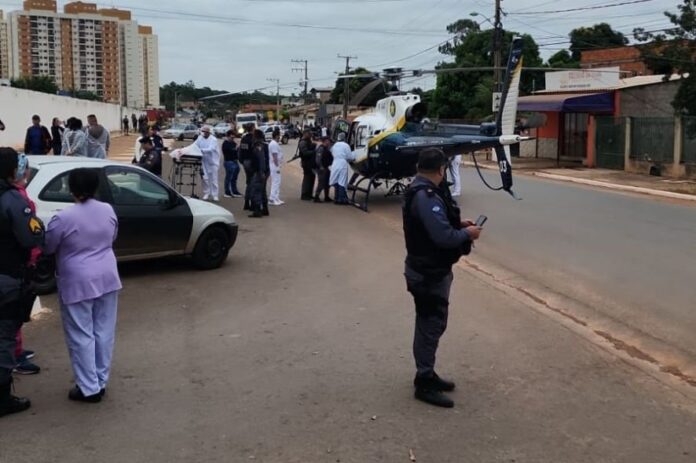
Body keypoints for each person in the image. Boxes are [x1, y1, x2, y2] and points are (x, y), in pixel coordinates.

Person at [402, 148, 482, 408]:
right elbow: (442, 237)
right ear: (440, 170)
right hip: (428, 274)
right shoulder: (426, 196)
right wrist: (467, 234)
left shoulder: (423, 190)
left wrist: (459, 225)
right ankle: (424, 380)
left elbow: (436, 227)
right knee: (430, 325)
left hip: (429, 269)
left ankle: (427, 372)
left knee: (432, 323)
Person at [44, 168, 121, 403]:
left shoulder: (63, 217)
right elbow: (113, 237)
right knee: (104, 330)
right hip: (107, 275)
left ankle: (89, 387)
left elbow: (49, 246)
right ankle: (100, 379)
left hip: (77, 280)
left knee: (80, 333)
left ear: (71, 189)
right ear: (96, 187)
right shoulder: (107, 209)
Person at [0, 147, 44, 417]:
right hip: (6, 277)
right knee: (4, 336)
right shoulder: (12, 200)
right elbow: (33, 238)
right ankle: (2, 398)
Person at [12, 154, 41, 375]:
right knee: (14, 313)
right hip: (19, 263)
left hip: (17, 261)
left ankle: (16, 351)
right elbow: (29, 234)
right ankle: (14, 356)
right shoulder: (18, 198)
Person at [194, 126, 220, 201]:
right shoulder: (200, 138)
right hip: (203, 161)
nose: (204, 133)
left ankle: (215, 195)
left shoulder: (213, 139)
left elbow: (211, 149)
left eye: (205, 131)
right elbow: (195, 145)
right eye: (203, 131)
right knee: (204, 178)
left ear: (209, 132)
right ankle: (206, 193)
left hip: (212, 162)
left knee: (213, 179)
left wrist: (200, 150)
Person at [248, 129, 270, 218]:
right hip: (263, 171)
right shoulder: (264, 145)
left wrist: (261, 172)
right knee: (262, 190)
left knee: (256, 190)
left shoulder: (258, 146)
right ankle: (265, 209)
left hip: (259, 172)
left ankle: (257, 211)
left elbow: (261, 160)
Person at [329, 132, 355, 205]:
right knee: (342, 182)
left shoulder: (334, 145)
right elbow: (350, 157)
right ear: (344, 138)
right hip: (342, 164)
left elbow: (332, 153)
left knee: (336, 181)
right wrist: (354, 155)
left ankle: (336, 198)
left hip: (335, 164)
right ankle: (342, 199)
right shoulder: (346, 145)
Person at [239, 124, 255, 210]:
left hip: (245, 162)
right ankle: (252, 202)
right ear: (252, 129)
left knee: (249, 182)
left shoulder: (244, 139)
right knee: (253, 183)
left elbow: (241, 151)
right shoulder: (253, 139)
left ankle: (246, 202)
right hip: (251, 162)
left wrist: (242, 161)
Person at [222, 130, 242, 198]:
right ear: (229, 135)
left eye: (234, 135)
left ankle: (234, 191)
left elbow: (236, 152)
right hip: (228, 162)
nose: (233, 137)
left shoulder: (233, 143)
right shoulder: (225, 143)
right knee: (229, 177)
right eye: (232, 135)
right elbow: (228, 152)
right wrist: (236, 148)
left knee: (234, 178)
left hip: (235, 161)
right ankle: (227, 192)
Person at [298, 129, 317, 200]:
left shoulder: (307, 141)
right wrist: (314, 151)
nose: (310, 135)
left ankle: (309, 194)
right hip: (306, 163)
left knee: (312, 177)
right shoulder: (303, 142)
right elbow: (305, 153)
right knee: (307, 178)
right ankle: (304, 194)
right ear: (305, 134)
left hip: (310, 162)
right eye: (309, 133)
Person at [314, 136, 333, 203]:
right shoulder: (321, 148)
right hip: (321, 168)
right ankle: (316, 196)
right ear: (325, 141)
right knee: (321, 182)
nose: (329, 142)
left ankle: (326, 197)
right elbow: (318, 159)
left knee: (327, 183)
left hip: (326, 167)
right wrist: (321, 166)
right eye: (328, 141)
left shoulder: (327, 148)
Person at [268, 128, 284, 206]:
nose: (280, 137)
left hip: (275, 165)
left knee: (278, 182)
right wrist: (277, 166)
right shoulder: (273, 144)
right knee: (275, 182)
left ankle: (276, 197)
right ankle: (272, 198)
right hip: (274, 166)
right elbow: (275, 156)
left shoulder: (274, 143)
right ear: (277, 136)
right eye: (279, 136)